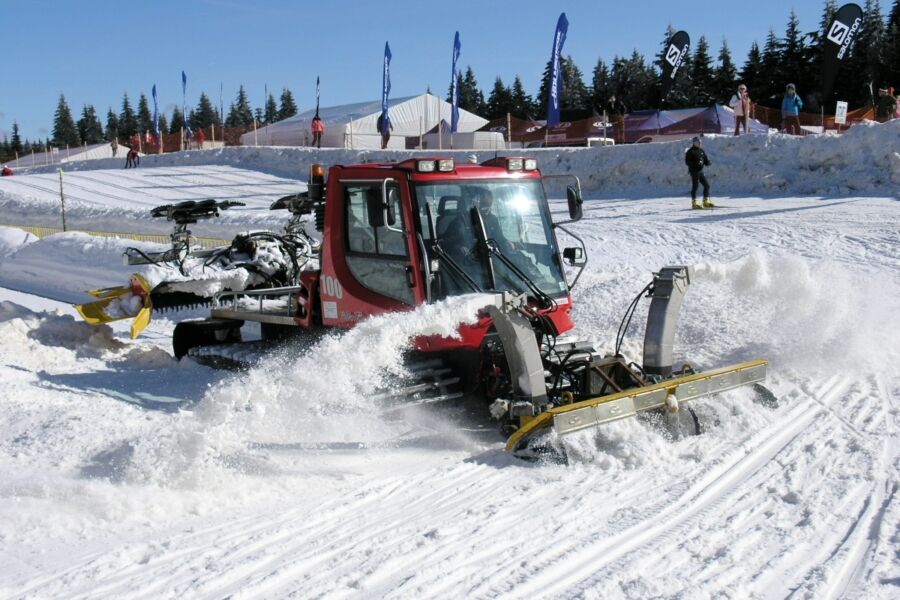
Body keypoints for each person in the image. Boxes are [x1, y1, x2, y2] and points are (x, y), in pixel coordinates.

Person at [684, 136, 712, 209]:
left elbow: (705, 159)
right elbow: (687, 161)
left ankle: (705, 201)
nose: (699, 144)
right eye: (697, 142)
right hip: (694, 171)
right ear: (694, 143)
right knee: (695, 186)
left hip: (700, 171)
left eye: (700, 142)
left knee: (707, 185)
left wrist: (707, 162)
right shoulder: (690, 151)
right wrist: (694, 164)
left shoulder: (701, 151)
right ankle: (694, 203)